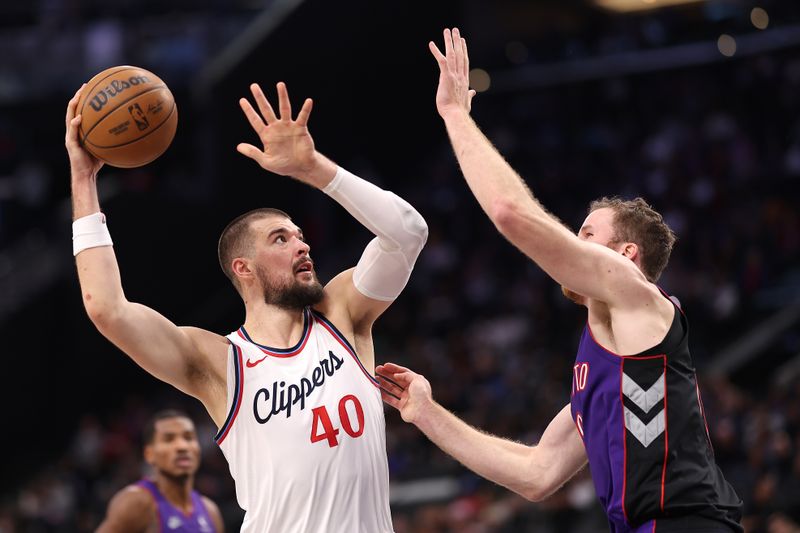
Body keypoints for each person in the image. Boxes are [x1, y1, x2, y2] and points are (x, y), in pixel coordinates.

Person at [377, 28, 743, 533]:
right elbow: (536, 474)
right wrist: (425, 412)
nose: (572, 242)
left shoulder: (635, 292)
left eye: (586, 234)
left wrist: (456, 117)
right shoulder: (599, 364)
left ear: (625, 254)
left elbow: (511, 213)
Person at [66, 80, 428, 532]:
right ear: (244, 268)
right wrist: (84, 178)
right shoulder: (219, 361)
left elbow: (409, 233)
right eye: (281, 238)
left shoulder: (343, 316)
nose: (302, 244)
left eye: (300, 234)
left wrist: (315, 169)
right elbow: (107, 309)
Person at [97, 410, 225, 533]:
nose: (182, 446)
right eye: (168, 439)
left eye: (188, 438)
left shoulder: (210, 511)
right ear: (149, 454)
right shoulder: (137, 503)